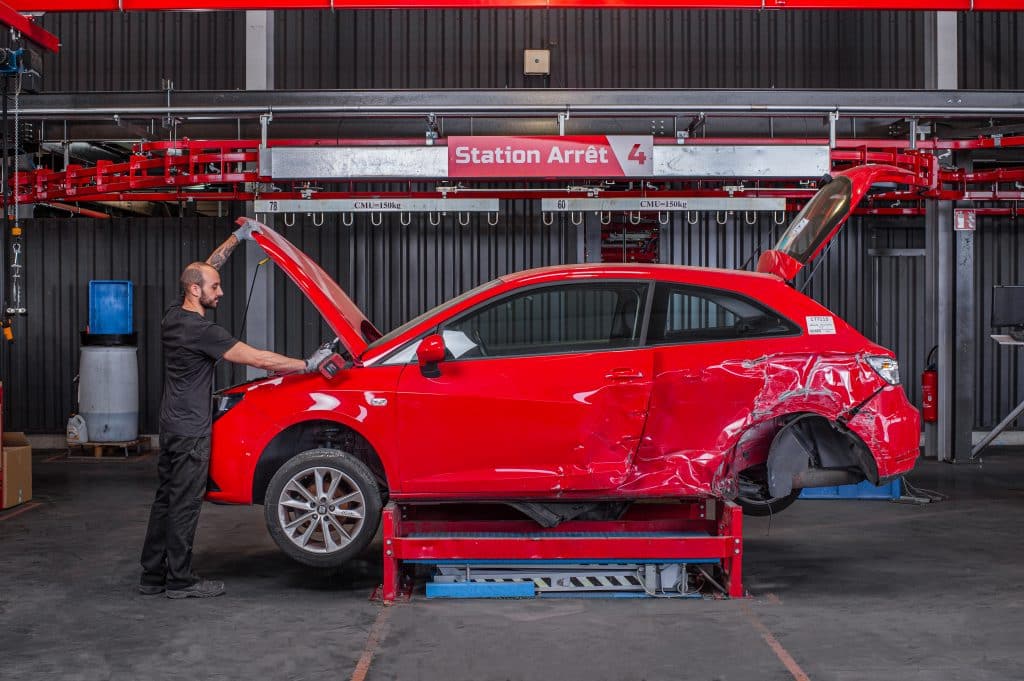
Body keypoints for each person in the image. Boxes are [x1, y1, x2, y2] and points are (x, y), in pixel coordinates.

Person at [138, 219, 330, 598]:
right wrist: (306, 365)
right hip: (192, 430)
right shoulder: (203, 332)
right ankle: (179, 580)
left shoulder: (172, 317)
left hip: (171, 425)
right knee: (185, 504)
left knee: (165, 499)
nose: (220, 292)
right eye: (214, 288)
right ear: (195, 291)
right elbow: (257, 357)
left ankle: (152, 576)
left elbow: (206, 267)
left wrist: (236, 239)